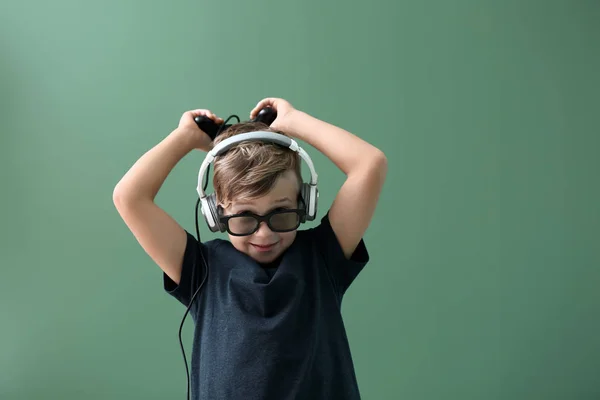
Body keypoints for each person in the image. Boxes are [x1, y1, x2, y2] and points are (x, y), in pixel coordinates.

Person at [112, 97, 388, 399]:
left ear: (304, 205)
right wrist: (185, 137)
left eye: (281, 214)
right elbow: (129, 196)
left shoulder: (323, 256)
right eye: (244, 219)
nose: (264, 233)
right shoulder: (200, 270)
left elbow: (369, 164)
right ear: (216, 215)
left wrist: (292, 121)